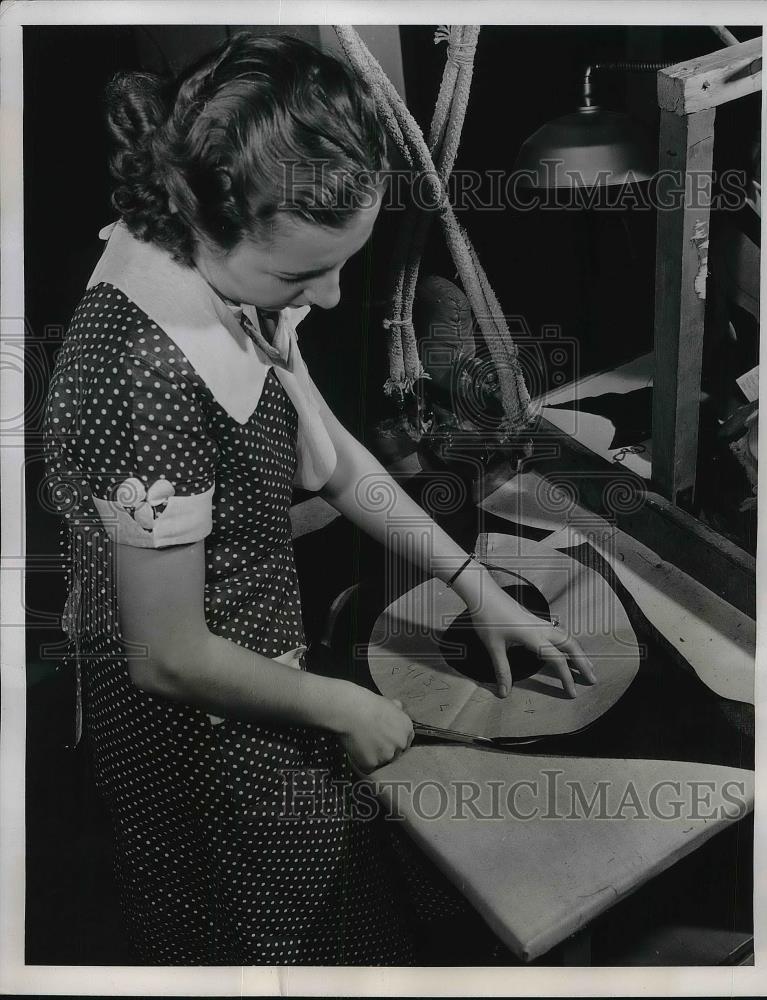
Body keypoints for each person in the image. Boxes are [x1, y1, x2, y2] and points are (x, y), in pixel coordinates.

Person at [43, 32, 596, 965]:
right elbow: (166, 656)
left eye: (340, 264)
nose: (332, 299)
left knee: (351, 903)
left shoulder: (227, 277)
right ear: (199, 222)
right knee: (273, 941)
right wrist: (343, 707)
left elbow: (337, 461)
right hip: (196, 726)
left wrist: (477, 585)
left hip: (261, 661)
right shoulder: (143, 373)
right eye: (301, 276)